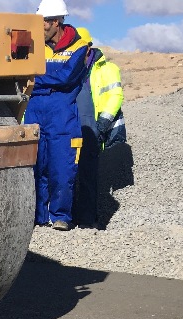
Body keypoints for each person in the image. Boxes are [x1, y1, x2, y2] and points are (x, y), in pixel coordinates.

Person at [24, 0, 91, 231]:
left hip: (62, 116)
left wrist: (35, 81)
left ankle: (61, 216)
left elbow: (67, 79)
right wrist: (37, 82)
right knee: (36, 166)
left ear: (56, 22)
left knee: (62, 168)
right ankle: (37, 216)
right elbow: (21, 76)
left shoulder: (81, 47)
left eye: (43, 23)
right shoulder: (34, 46)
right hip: (34, 112)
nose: (39, 27)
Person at [74, 29, 126, 228]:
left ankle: (88, 221)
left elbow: (115, 97)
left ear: (88, 47)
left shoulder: (107, 68)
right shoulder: (71, 69)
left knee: (88, 174)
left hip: (94, 126)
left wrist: (102, 124)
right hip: (73, 126)